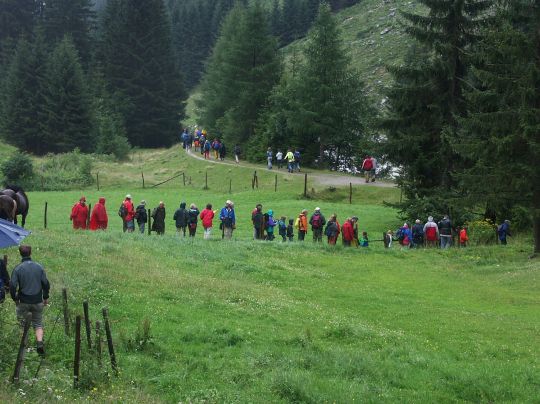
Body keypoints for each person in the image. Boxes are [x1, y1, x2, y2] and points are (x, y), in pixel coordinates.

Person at [10, 245, 50, 356]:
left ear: (20, 253)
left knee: (23, 324)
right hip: (37, 301)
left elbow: (13, 285)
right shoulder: (39, 267)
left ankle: (24, 347)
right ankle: (39, 343)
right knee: (37, 323)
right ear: (30, 253)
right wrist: (45, 297)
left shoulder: (18, 268)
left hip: (23, 301)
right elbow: (45, 283)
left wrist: (15, 299)